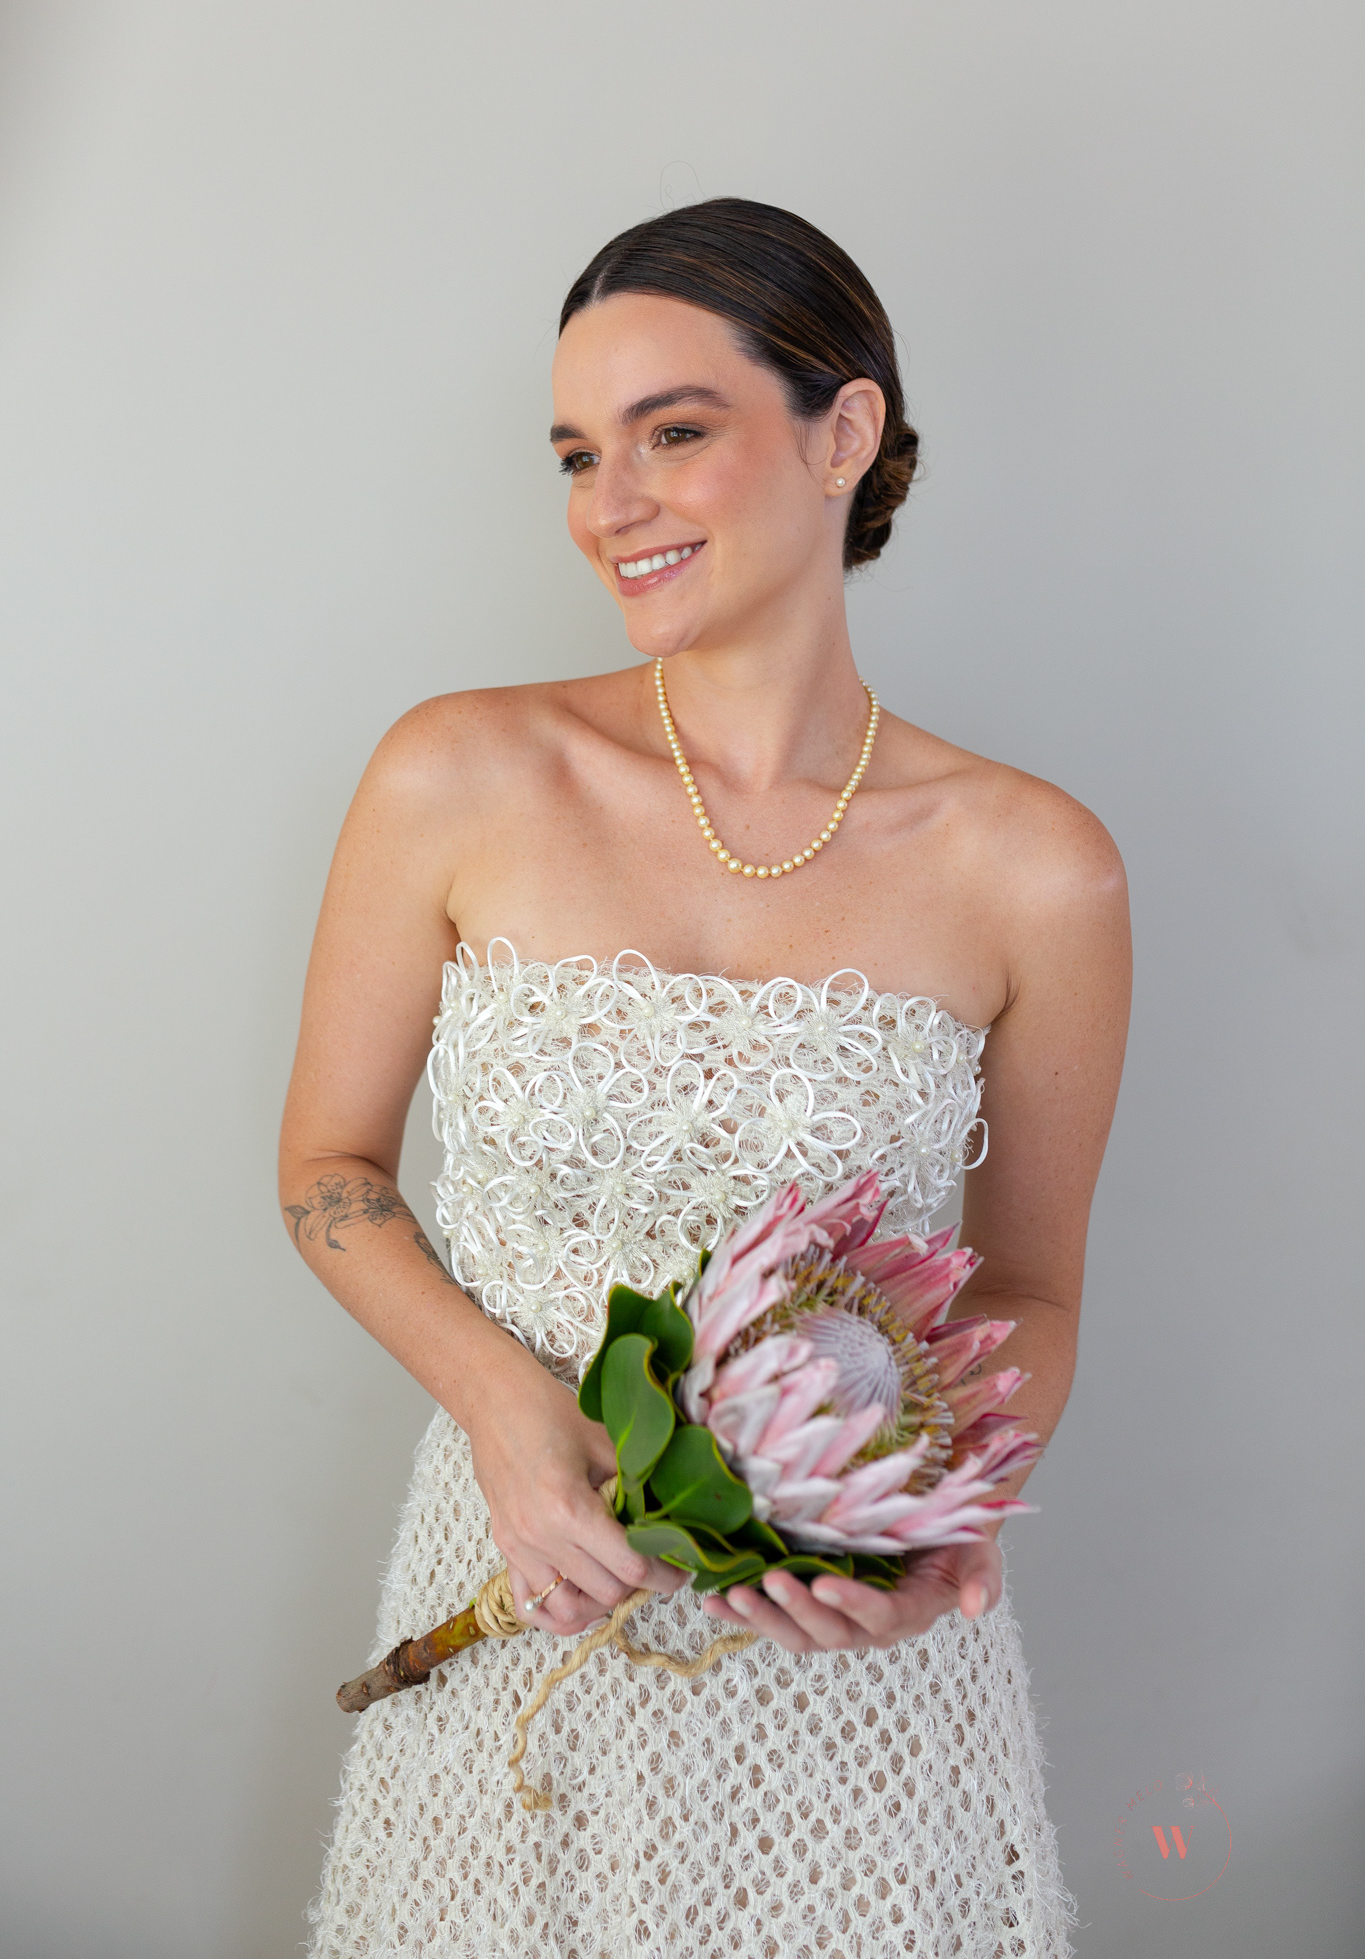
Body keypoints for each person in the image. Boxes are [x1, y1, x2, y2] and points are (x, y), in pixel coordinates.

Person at [283, 198, 1130, 1957]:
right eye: (578, 454)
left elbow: (1030, 1295)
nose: (611, 505)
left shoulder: (1033, 867)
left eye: (673, 433)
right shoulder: (457, 772)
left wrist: (943, 1516)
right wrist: (509, 1417)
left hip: (847, 1670)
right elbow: (330, 1171)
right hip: (513, 1582)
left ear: (843, 433)